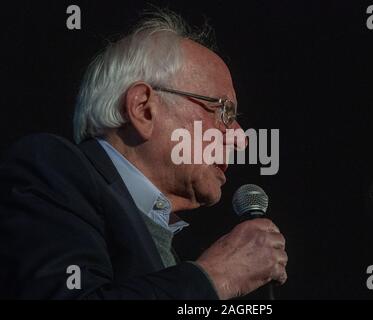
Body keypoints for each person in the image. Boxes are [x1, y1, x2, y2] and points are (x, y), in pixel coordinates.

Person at [0, 9, 287, 299]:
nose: (241, 139)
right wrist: (214, 278)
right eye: (224, 111)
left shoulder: (171, 249)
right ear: (143, 108)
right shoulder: (51, 170)